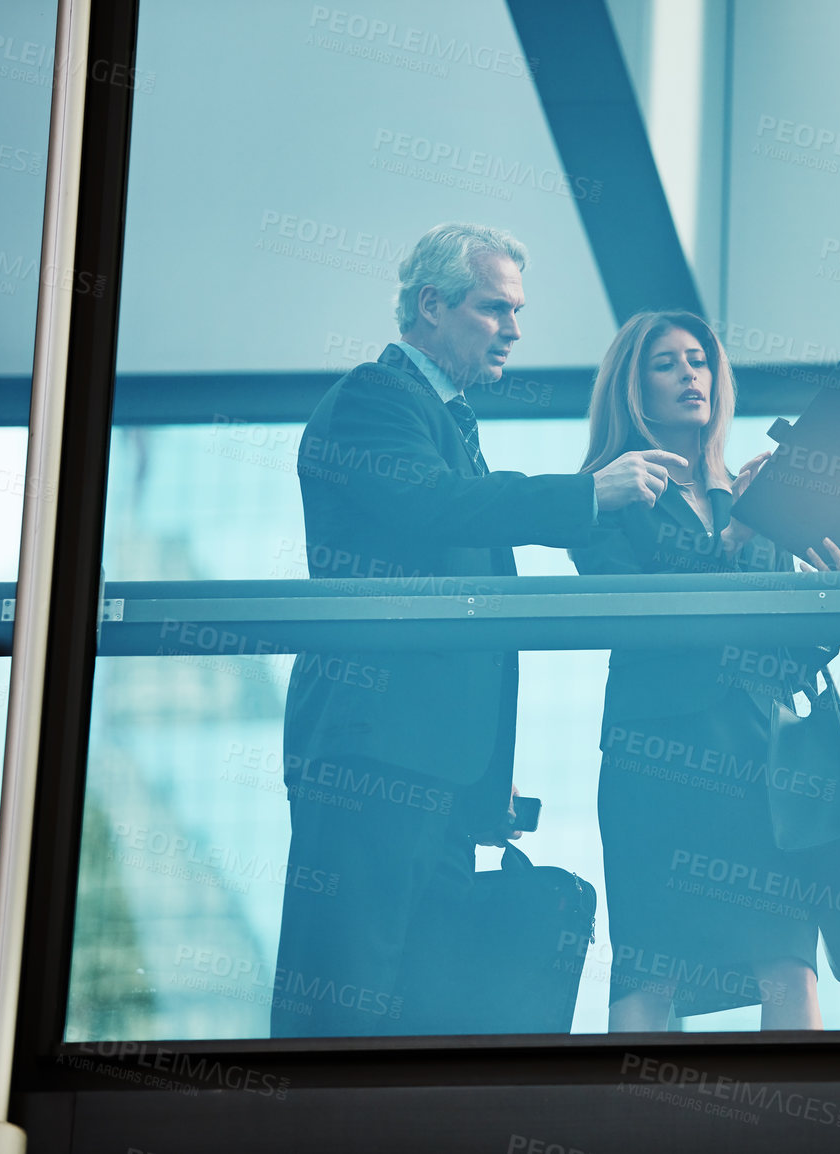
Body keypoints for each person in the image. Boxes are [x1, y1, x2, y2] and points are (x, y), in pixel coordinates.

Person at [275, 224, 682, 1037]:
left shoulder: (446, 421)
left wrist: (487, 773)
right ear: (432, 305)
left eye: (517, 311)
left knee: (413, 1007)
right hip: (373, 757)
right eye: (495, 308)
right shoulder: (373, 399)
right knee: (345, 997)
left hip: (435, 770)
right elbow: (432, 505)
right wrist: (582, 497)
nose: (515, 330)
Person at [570, 311, 840, 1031]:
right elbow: (642, 613)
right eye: (666, 363)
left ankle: (795, 1134)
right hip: (657, 757)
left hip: (762, 762)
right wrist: (737, 538)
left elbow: (786, 657)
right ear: (633, 389)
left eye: (698, 360)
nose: (690, 375)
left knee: (789, 965)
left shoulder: (753, 500)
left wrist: (834, 595)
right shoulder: (609, 493)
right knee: (650, 967)